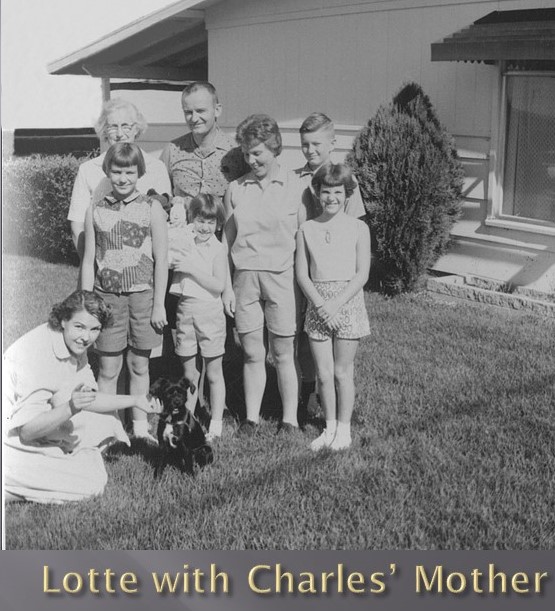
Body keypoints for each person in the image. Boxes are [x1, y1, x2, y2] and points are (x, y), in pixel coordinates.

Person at [3, 291, 162, 504]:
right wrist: (70, 407)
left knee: (107, 421)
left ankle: (50, 465)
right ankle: (12, 487)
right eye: (79, 326)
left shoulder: (73, 343)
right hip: (11, 438)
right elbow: (27, 431)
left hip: (33, 426)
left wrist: (135, 400)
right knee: (92, 483)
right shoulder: (38, 353)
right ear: (63, 320)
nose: (86, 337)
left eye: (94, 329)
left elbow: (89, 398)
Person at [224, 114, 306, 434]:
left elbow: (304, 240)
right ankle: (251, 418)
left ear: (274, 148)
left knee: (284, 353)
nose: (251, 160)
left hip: (282, 278)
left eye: (257, 153)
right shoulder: (236, 189)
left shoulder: (297, 187)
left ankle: (290, 420)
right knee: (252, 353)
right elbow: (226, 242)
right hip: (245, 278)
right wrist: (227, 287)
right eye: (246, 153)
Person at [80, 143, 168, 442]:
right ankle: (110, 429)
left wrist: (159, 305)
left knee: (139, 365)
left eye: (129, 172)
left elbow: (161, 260)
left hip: (143, 298)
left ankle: (140, 428)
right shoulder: (95, 209)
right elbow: (89, 260)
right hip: (107, 298)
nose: (122, 178)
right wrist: (86, 305)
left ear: (139, 172)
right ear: (107, 171)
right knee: (108, 368)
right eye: (117, 171)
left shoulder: (152, 207)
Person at [294, 112, 367, 424]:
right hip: (305, 263)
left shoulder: (345, 181)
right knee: (305, 337)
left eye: (317, 144)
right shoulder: (296, 179)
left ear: (332, 143)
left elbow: (354, 231)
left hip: (339, 277)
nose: (310, 150)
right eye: (305, 144)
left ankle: (338, 408)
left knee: (340, 358)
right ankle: (309, 393)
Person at [68, 98, 171, 262]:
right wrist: (92, 266)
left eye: (126, 126)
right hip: (102, 266)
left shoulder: (156, 168)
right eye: (113, 126)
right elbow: (77, 225)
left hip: (145, 266)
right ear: (104, 130)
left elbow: (166, 223)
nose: (119, 133)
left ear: (136, 129)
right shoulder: (88, 170)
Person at [169, 194, 228, 442]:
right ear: (192, 219)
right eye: (200, 220)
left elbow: (218, 285)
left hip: (209, 311)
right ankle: (188, 420)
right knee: (189, 374)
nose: (204, 227)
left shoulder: (218, 249)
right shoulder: (184, 241)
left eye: (210, 222)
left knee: (213, 371)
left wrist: (191, 268)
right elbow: (168, 248)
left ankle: (216, 424)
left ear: (218, 224)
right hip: (185, 309)